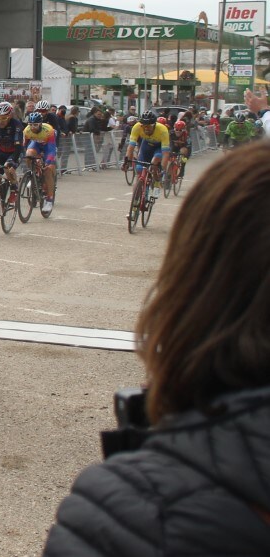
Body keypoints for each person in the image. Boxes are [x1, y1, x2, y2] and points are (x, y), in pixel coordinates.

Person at [42, 142, 270, 556]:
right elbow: (133, 149)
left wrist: (167, 163)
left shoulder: (132, 517)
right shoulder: (140, 129)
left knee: (162, 163)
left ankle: (157, 184)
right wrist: (132, 160)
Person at [23, 111, 59, 214]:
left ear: (40, 124)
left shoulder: (48, 130)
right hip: (36, 145)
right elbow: (24, 146)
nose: (33, 127)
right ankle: (33, 174)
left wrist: (48, 161)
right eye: (30, 125)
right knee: (28, 154)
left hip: (48, 146)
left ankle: (49, 199)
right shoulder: (27, 131)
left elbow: (52, 150)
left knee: (48, 170)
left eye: (35, 125)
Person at [125, 110, 171, 186]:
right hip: (146, 145)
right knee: (139, 170)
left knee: (154, 162)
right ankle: (138, 194)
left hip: (158, 147)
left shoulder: (162, 130)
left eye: (149, 126)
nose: (146, 128)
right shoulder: (137, 127)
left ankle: (156, 180)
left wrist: (163, 169)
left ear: (154, 125)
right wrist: (126, 160)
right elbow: (131, 146)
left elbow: (165, 154)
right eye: (144, 126)